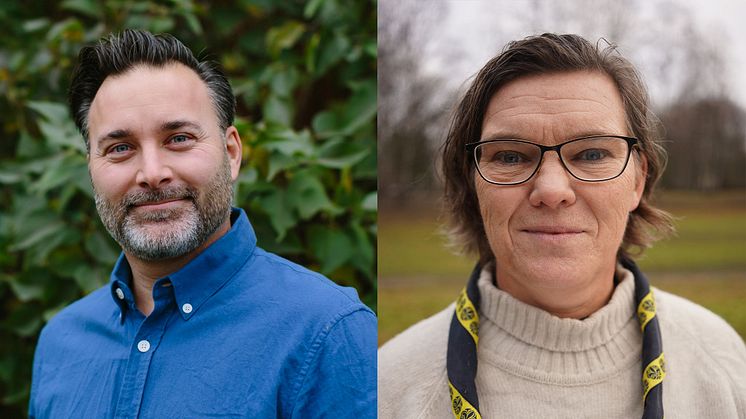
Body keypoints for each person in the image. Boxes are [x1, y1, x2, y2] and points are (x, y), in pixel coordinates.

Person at [378, 33, 746, 418]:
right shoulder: (391, 387)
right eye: (509, 156)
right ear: (472, 184)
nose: (551, 190)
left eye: (591, 153)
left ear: (637, 180)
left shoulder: (719, 359)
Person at [29, 29, 376, 418]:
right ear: (91, 167)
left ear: (231, 154)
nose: (152, 173)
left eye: (178, 138)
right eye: (120, 148)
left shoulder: (327, 332)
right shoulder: (60, 343)